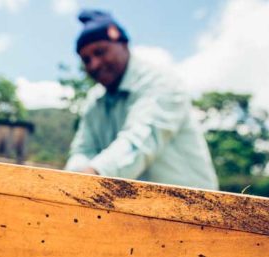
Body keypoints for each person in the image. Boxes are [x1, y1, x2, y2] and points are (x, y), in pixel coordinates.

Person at [65, 10, 219, 190]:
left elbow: (139, 143)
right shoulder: (94, 101)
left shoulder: (161, 83)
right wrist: (69, 181)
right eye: (86, 59)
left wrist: (88, 177)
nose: (94, 64)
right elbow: (82, 151)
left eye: (100, 52)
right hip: (129, 210)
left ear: (123, 44)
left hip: (194, 210)